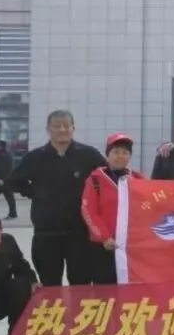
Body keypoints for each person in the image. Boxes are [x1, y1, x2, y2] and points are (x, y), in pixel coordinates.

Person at [6, 110, 107, 286]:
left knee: (81, 284)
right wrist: (36, 193)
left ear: (73, 128)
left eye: (66, 126)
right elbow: (13, 180)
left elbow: (106, 179)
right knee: (50, 285)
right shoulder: (36, 157)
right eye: (57, 126)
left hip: (80, 233)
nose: (62, 130)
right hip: (46, 234)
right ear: (48, 129)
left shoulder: (88, 154)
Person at [80, 133, 142, 285]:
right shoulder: (95, 179)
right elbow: (88, 211)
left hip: (130, 245)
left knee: (130, 286)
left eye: (125, 152)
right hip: (104, 246)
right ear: (107, 155)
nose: (120, 156)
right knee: (105, 288)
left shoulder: (138, 179)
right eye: (116, 152)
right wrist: (105, 236)